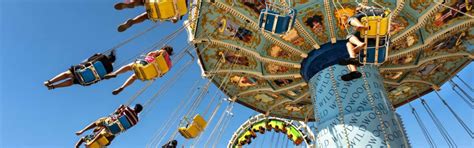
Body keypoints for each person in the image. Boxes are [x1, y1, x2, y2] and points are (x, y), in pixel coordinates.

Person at [339, 4, 388, 81]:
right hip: (375, 43)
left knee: (349, 32)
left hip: (371, 35)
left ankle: (360, 29)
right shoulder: (376, 15)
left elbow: (380, 11)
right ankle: (354, 71)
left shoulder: (367, 14)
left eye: (358, 9)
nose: (357, 10)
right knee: (349, 46)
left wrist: (364, 7)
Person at [105, 46, 174, 95]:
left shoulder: (163, 52)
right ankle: (122, 87)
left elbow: (150, 54)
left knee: (130, 66)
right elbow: (162, 75)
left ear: (164, 48)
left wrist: (150, 55)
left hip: (145, 66)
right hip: (148, 75)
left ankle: (115, 73)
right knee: (134, 77)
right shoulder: (170, 65)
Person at [75, 104, 143, 147]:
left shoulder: (127, 109)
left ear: (134, 107)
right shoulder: (136, 121)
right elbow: (128, 127)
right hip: (116, 131)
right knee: (106, 134)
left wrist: (120, 107)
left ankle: (82, 131)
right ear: (139, 112)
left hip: (111, 124)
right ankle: (94, 142)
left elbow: (117, 112)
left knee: (98, 122)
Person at [43, 51, 116, 90]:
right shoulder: (110, 70)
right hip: (85, 80)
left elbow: (89, 60)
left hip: (80, 69)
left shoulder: (101, 56)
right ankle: (53, 86)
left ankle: (49, 82)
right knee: (72, 82)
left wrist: (98, 54)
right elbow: (102, 78)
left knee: (68, 74)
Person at [114, 0, 184, 32]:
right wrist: (174, 18)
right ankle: (133, 21)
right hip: (169, 9)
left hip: (161, 6)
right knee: (148, 15)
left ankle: (132, 7)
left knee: (147, 7)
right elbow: (175, 18)